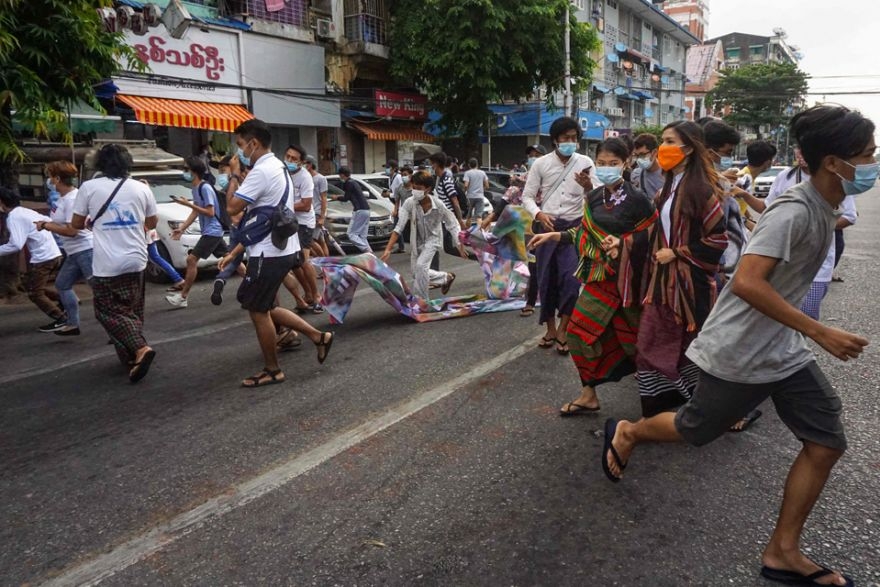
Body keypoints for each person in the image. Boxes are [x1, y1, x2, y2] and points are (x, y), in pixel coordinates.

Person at [600, 104, 874, 587]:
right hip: (741, 350)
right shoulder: (794, 211)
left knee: (826, 441)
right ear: (834, 162)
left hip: (782, 351)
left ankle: (783, 552)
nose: (873, 162)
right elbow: (747, 282)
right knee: (695, 427)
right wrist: (819, 330)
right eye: (867, 154)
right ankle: (630, 432)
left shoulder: (819, 206)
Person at [528, 138, 656, 416]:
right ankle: (589, 394)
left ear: (626, 164)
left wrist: (624, 244)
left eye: (613, 164)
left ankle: (662, 397)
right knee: (576, 333)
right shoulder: (595, 197)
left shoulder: (639, 201)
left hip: (627, 283)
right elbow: (583, 234)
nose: (607, 168)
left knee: (638, 343)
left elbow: (654, 238)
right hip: (599, 281)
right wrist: (554, 235)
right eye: (602, 163)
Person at [608, 120, 727, 418]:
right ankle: (688, 406)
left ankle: (697, 407)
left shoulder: (700, 189)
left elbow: (718, 238)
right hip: (663, 282)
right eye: (663, 141)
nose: (664, 148)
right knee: (662, 344)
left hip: (688, 286)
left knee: (671, 344)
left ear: (689, 148)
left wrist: (677, 253)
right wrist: (623, 244)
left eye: (671, 141)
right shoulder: (669, 187)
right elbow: (656, 233)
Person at [220, 119, 333, 387]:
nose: (240, 153)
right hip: (277, 248)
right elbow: (260, 217)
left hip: (268, 253)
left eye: (240, 146)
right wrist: (237, 249)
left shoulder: (261, 171)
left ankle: (273, 369)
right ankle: (319, 336)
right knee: (267, 305)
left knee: (258, 310)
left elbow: (233, 208)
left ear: (253, 143)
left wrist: (235, 174)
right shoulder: (276, 166)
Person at [71, 144, 158, 382]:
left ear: (98, 163)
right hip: (137, 259)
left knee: (106, 311)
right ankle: (130, 360)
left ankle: (140, 348)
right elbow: (151, 222)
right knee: (132, 309)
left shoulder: (88, 188)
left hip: (108, 263)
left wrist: (94, 221)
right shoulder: (141, 188)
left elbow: (76, 224)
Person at [522, 116, 600, 354]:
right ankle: (551, 329)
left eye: (574, 138)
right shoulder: (541, 164)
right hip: (546, 226)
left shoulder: (585, 161)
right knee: (545, 279)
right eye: (565, 138)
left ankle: (564, 329)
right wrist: (538, 215)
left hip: (574, 229)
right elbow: (527, 196)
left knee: (570, 280)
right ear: (555, 140)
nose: (570, 142)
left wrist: (588, 185)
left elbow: (597, 195)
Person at [762, 151, 857, 321]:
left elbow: (849, 216)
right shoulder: (785, 176)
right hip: (783, 261)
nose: (801, 153)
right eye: (798, 147)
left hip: (817, 264)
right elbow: (769, 207)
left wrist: (814, 226)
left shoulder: (835, 178)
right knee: (778, 318)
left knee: (806, 317)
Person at [380, 170, 466, 298]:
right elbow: (399, 227)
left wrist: (460, 244)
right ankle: (446, 278)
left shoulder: (438, 204)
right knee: (416, 273)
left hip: (433, 240)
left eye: (418, 188)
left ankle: (421, 301)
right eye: (414, 187)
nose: (415, 191)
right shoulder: (410, 202)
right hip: (417, 241)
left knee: (421, 267)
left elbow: (452, 223)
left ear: (428, 189)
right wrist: (388, 249)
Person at [34, 161, 94, 336]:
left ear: (58, 178)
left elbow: (72, 230)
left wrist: (46, 226)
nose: (49, 180)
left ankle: (119, 326)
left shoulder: (73, 199)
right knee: (62, 284)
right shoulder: (62, 199)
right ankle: (72, 323)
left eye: (50, 176)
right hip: (74, 252)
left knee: (101, 291)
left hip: (85, 250)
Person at [164, 156, 228, 308]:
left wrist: (187, 204)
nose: (184, 172)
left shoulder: (204, 188)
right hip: (211, 231)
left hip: (212, 231)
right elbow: (195, 213)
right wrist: (182, 228)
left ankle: (183, 297)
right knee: (230, 258)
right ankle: (251, 281)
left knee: (191, 260)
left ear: (194, 172)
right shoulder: (195, 188)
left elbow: (210, 212)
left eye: (186, 169)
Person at [0, 187, 65, 331]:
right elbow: (48, 220)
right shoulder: (27, 212)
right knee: (31, 284)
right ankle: (64, 301)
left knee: (35, 293)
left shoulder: (14, 217)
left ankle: (61, 318)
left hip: (43, 258)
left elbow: (16, 245)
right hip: (53, 253)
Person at [284, 144, 321, 313]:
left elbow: (306, 205)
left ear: (301, 162)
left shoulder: (305, 177)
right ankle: (307, 295)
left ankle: (316, 296)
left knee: (303, 260)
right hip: (288, 222)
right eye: (288, 157)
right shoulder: (282, 173)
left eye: (294, 159)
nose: (289, 160)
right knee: (293, 263)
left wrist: (285, 206)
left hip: (304, 222)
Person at [332, 166, 371, 254]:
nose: (339, 177)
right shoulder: (354, 182)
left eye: (340, 175)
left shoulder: (348, 183)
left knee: (351, 234)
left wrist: (337, 197)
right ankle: (369, 254)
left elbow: (346, 198)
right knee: (362, 237)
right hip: (367, 210)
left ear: (342, 175)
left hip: (359, 210)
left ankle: (367, 250)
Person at [428, 152, 465, 227]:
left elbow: (455, 202)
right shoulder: (438, 179)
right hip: (441, 220)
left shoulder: (446, 181)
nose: (431, 167)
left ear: (436, 164)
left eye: (432, 164)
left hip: (447, 222)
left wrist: (460, 221)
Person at [304, 155, 329, 258]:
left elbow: (324, 198)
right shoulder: (305, 178)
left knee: (310, 240)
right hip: (309, 212)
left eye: (304, 163)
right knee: (321, 240)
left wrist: (322, 217)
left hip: (316, 213)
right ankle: (327, 262)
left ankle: (323, 262)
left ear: (309, 165)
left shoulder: (320, 179)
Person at [631, 133, 664, 199]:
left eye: (642, 155)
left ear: (654, 152)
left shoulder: (668, 174)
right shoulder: (635, 174)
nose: (639, 159)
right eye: (636, 155)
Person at [391, 165, 414, 254]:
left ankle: (415, 248)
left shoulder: (416, 186)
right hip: (404, 211)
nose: (403, 177)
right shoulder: (399, 188)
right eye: (402, 175)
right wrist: (395, 210)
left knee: (414, 231)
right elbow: (397, 201)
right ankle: (401, 247)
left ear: (410, 175)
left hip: (414, 212)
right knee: (396, 227)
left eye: (405, 174)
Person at [463, 158, 489, 226]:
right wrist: (482, 189)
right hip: (480, 196)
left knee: (469, 216)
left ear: (469, 165)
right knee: (479, 216)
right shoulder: (482, 173)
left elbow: (466, 185)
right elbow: (487, 186)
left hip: (470, 196)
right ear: (477, 164)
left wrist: (464, 191)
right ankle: (479, 232)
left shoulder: (467, 173)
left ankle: (467, 231)